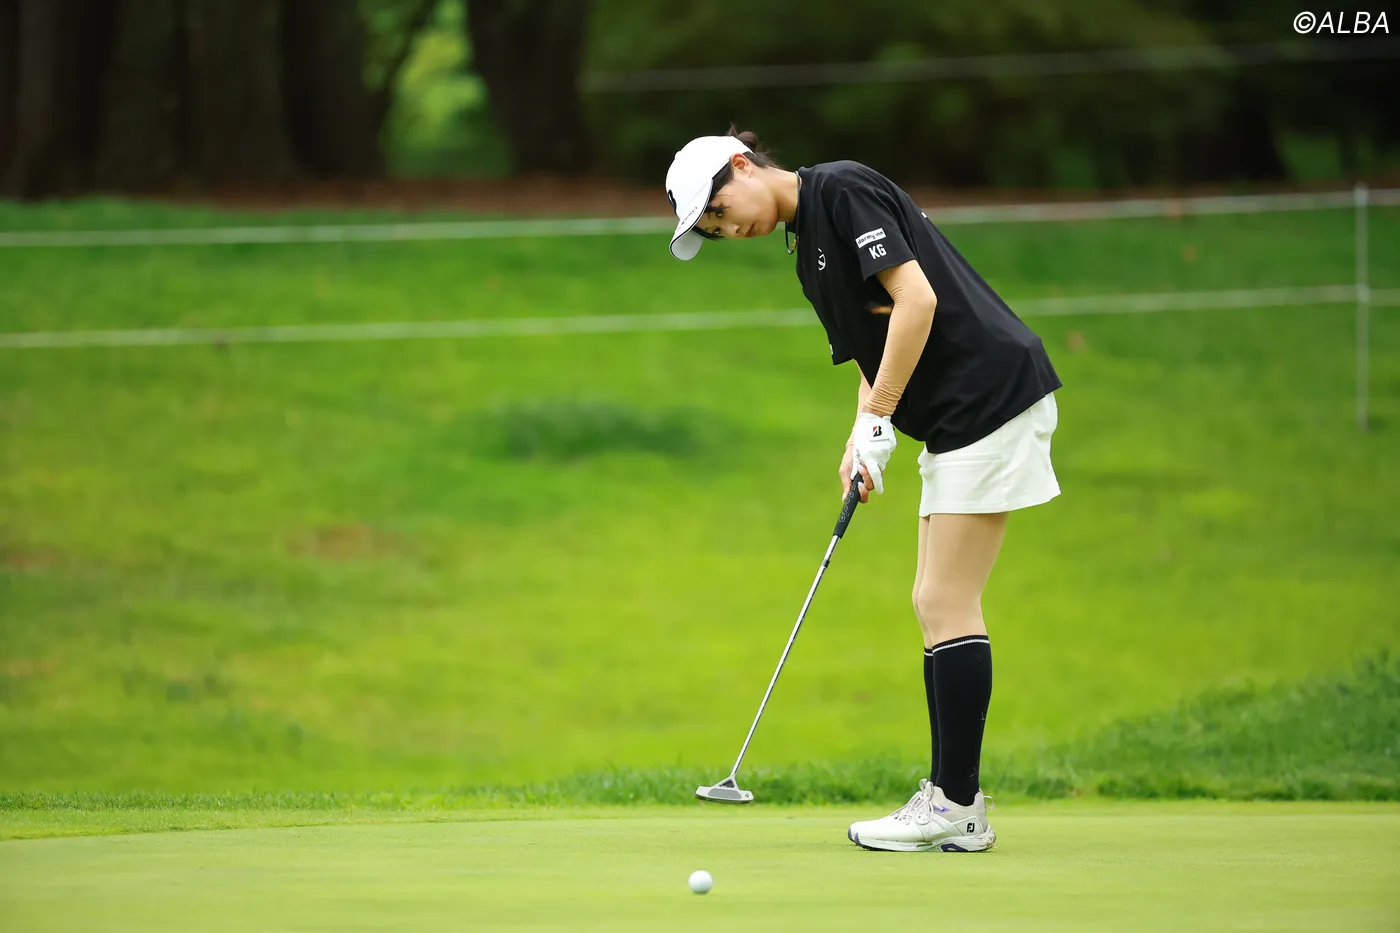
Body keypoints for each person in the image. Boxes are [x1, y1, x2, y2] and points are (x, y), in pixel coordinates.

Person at [665, 128, 1062, 852]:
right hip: (955, 417)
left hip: (989, 396)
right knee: (933, 600)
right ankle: (952, 800)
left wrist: (881, 414)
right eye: (714, 230)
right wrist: (861, 436)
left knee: (946, 600)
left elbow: (917, 301)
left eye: (719, 210)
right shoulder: (806, 253)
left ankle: (957, 805)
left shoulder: (841, 188)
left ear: (743, 166)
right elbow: (872, 355)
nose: (728, 228)